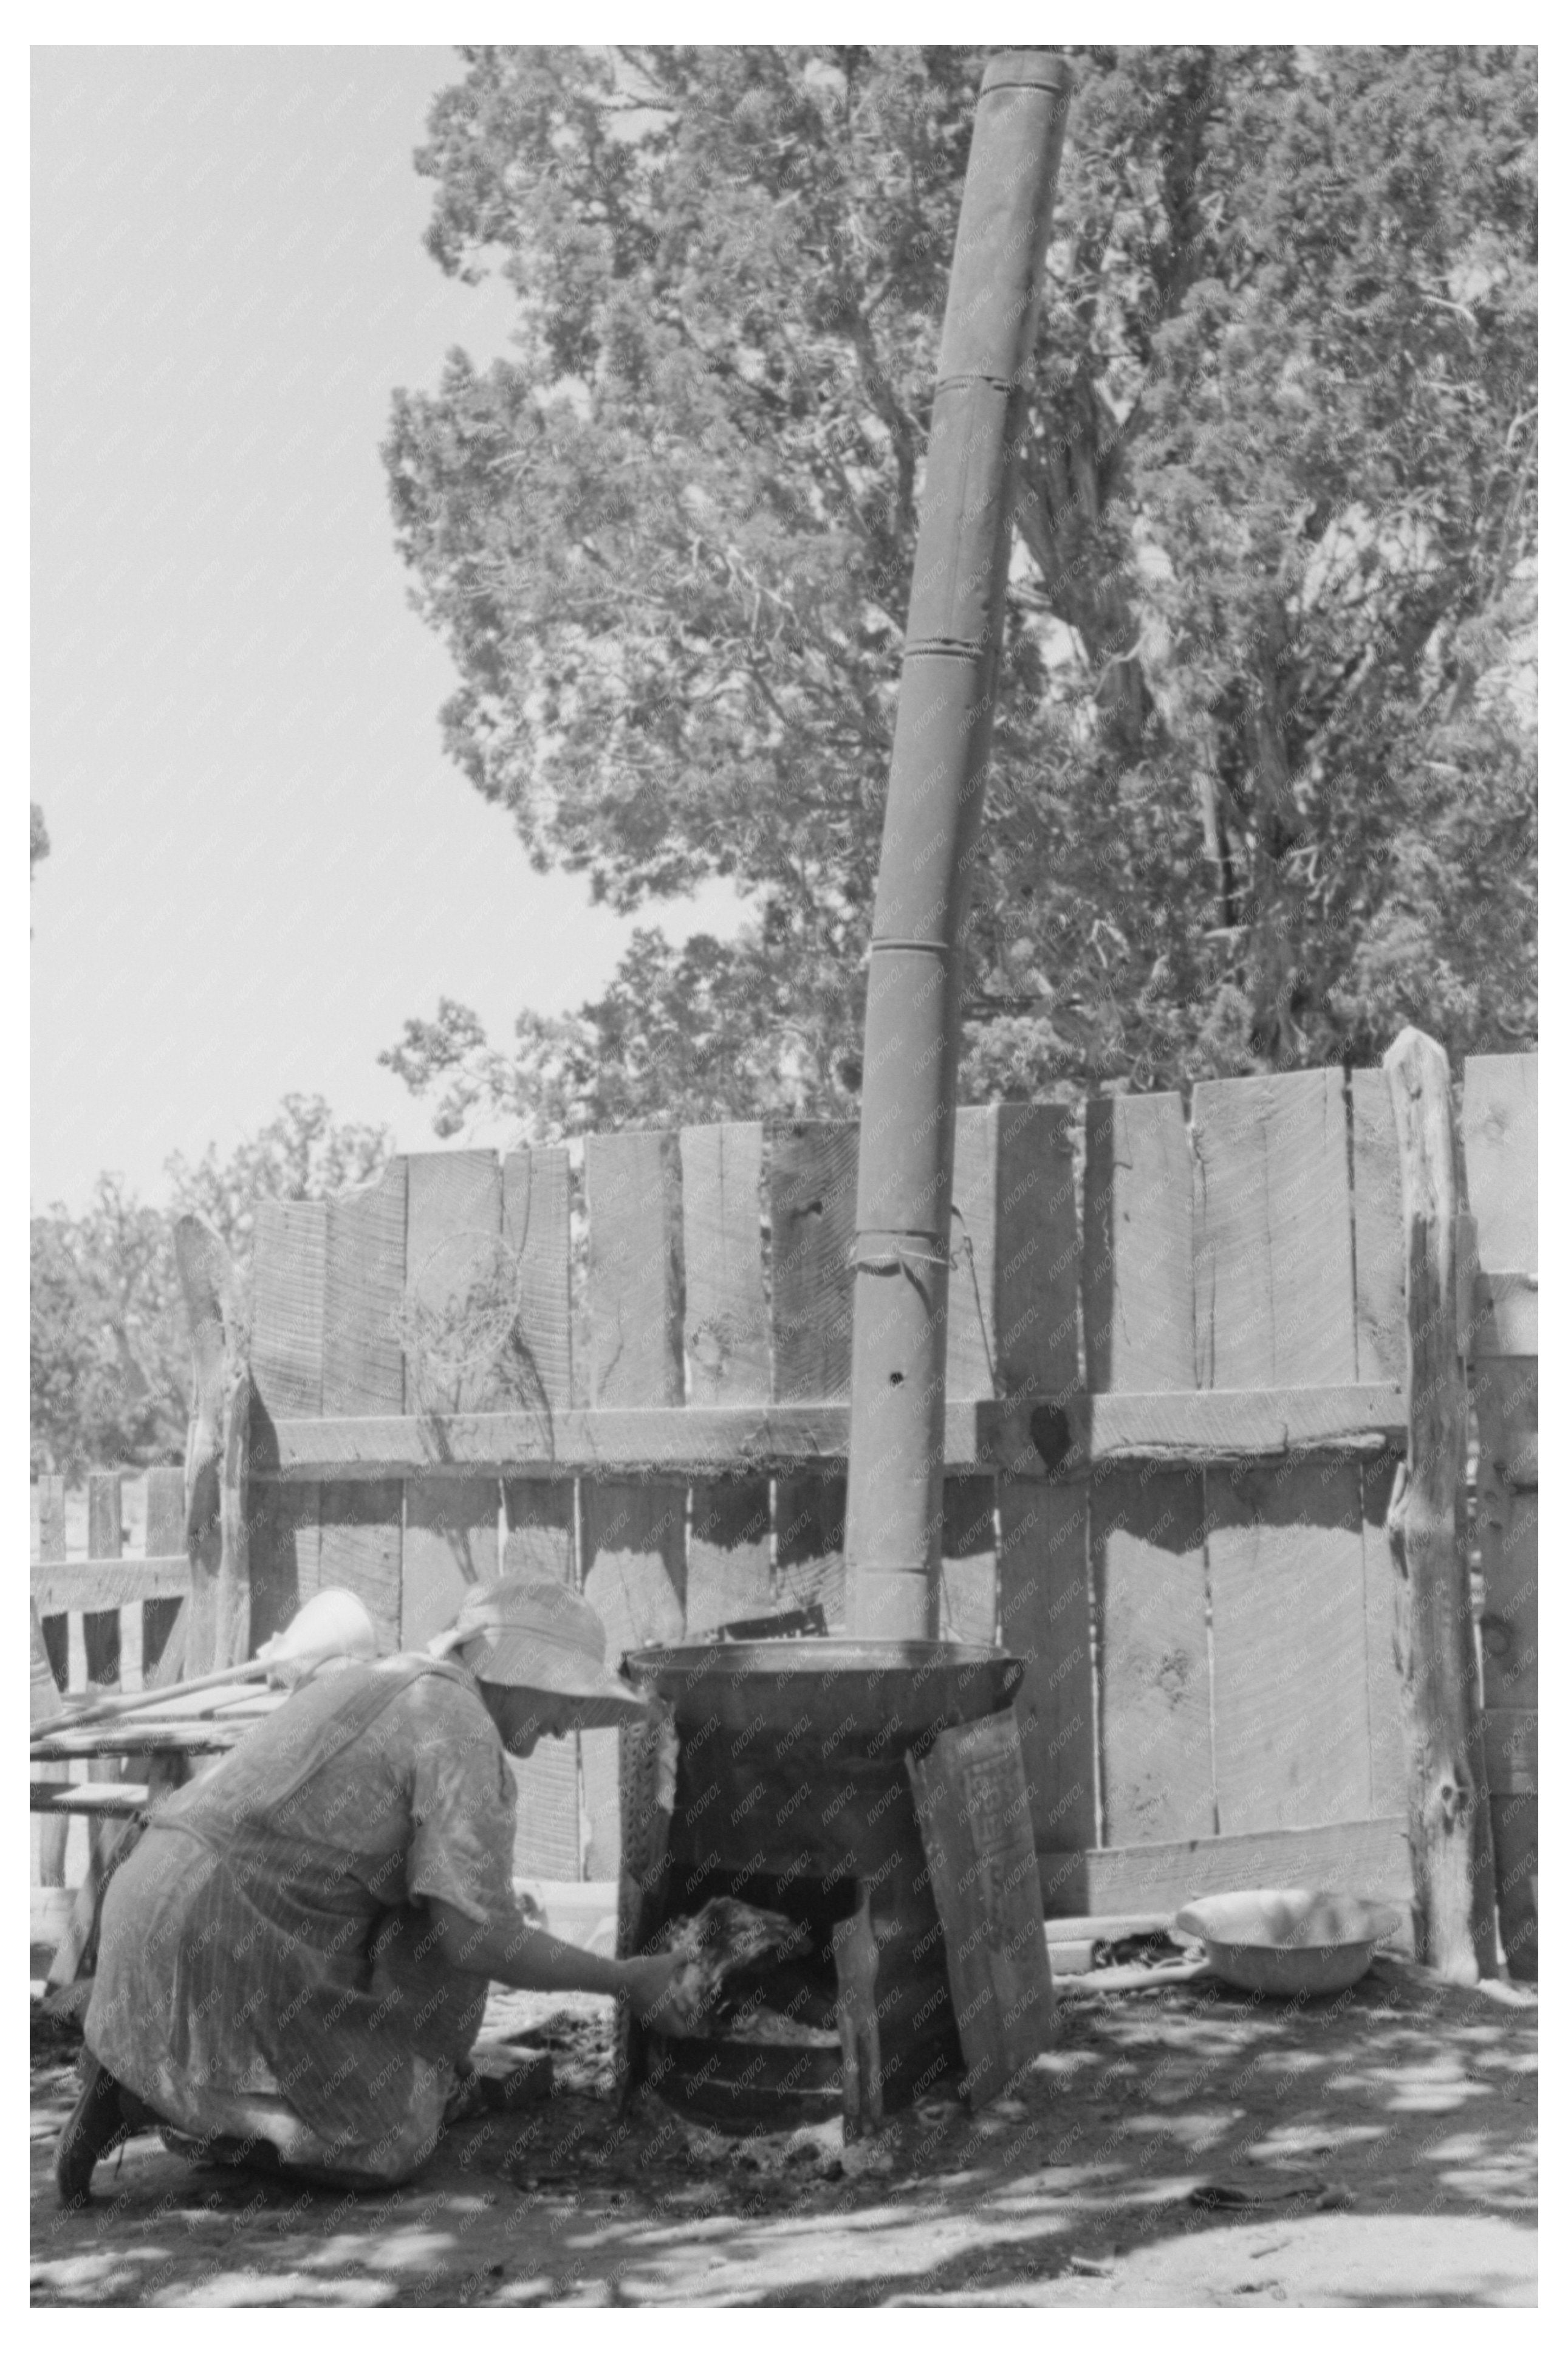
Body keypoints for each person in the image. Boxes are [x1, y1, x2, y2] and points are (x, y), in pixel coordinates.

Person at [56, 1575, 686, 2204]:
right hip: (217, 1932)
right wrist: (625, 1978)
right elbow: (476, 1938)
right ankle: (156, 2097)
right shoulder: (460, 1730)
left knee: (433, 1913)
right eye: (565, 1696)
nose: (567, 1722)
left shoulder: (395, 1676)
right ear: (525, 1671)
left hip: (149, 1898)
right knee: (394, 2141)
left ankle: (152, 2074)